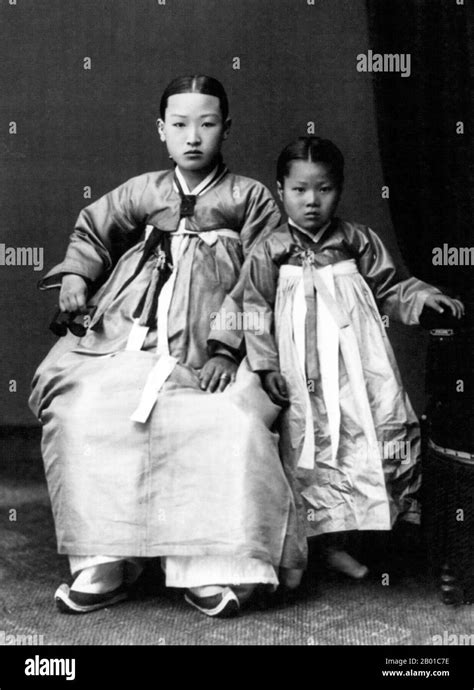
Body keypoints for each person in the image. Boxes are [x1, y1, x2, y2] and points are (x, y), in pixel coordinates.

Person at [29, 75, 304, 618]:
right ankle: (105, 559)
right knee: (85, 410)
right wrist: (77, 275)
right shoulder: (143, 190)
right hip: (133, 332)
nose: (193, 137)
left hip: (216, 343)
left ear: (226, 127)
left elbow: (259, 280)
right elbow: (92, 230)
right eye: (179, 125)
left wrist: (227, 350)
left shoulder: (251, 198)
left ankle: (212, 566)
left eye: (207, 123)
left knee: (228, 420)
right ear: (161, 130)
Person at [242, 136, 464, 581]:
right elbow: (250, 308)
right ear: (280, 189)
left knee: (368, 435)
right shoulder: (269, 249)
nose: (311, 201)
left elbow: (392, 285)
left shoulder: (356, 239)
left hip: (354, 363)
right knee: (306, 444)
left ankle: (353, 537)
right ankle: (305, 546)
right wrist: (265, 366)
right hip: (296, 365)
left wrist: (423, 298)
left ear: (338, 190)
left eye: (323, 189)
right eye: (300, 189)